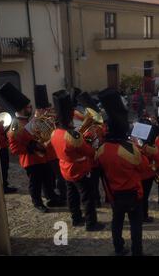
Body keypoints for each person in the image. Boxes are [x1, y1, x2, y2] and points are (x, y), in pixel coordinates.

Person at [96, 88, 148, 255]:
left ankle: (118, 248)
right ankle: (136, 252)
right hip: (133, 194)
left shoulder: (101, 149)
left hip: (114, 194)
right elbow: (144, 168)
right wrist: (138, 147)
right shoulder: (130, 149)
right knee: (135, 225)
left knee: (116, 222)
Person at [0, 82, 62, 213]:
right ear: (21, 109)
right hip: (31, 161)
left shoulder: (29, 120)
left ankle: (52, 197)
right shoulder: (15, 126)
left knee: (48, 179)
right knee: (35, 184)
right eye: (28, 107)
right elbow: (14, 149)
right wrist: (31, 146)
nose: (30, 108)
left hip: (43, 157)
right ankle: (37, 202)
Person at [50, 90, 104, 231]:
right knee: (87, 197)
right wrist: (87, 141)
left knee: (71, 195)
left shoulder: (55, 132)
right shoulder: (72, 135)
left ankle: (76, 218)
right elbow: (90, 152)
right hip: (79, 169)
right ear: (69, 118)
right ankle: (91, 223)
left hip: (65, 168)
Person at [34, 85, 66, 203]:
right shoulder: (38, 120)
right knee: (59, 177)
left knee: (55, 177)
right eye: (46, 108)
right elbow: (47, 137)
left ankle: (57, 195)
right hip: (50, 153)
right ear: (41, 109)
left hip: (54, 152)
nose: (48, 110)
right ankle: (61, 196)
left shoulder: (45, 118)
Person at [0, 99, 17, 193]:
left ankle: (4, 184)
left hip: (2, 146)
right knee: (2, 167)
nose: (0, 108)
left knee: (5, 167)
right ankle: (3, 187)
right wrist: (1, 126)